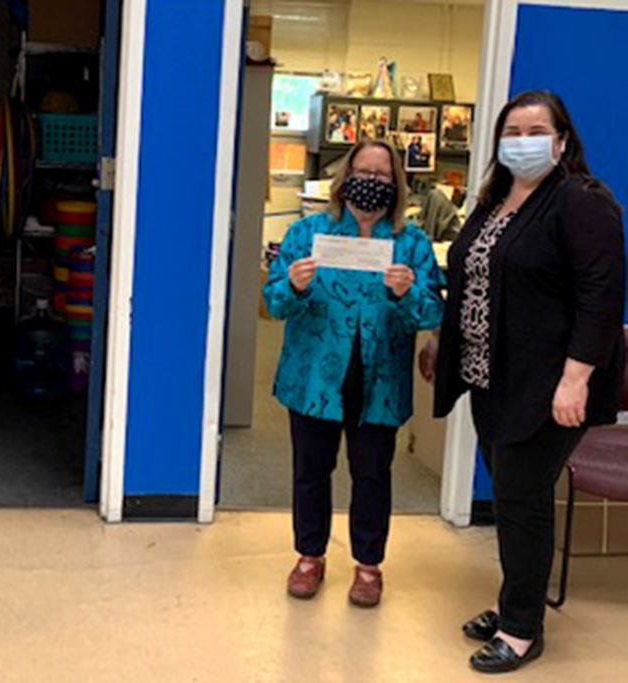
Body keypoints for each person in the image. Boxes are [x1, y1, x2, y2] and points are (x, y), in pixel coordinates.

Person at [424, 90, 625, 673]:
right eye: (511, 131)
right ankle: (519, 600)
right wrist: (444, 339)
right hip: (492, 378)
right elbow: (469, 280)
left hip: (549, 385)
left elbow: (601, 296)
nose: (522, 141)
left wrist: (575, 381)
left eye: (536, 130)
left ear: (562, 139)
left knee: (521, 500)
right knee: (513, 497)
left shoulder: (580, 202)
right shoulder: (495, 201)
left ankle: (520, 630)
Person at [263, 140, 444, 608]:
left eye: (383, 175)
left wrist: (406, 294)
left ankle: (368, 566)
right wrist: (295, 285)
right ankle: (309, 557)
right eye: (363, 171)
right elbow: (275, 302)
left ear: (397, 184)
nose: (372, 181)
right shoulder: (307, 234)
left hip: (379, 381)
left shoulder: (411, 243)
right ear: (345, 177)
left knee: (372, 474)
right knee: (310, 471)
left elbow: (428, 314)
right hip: (314, 379)